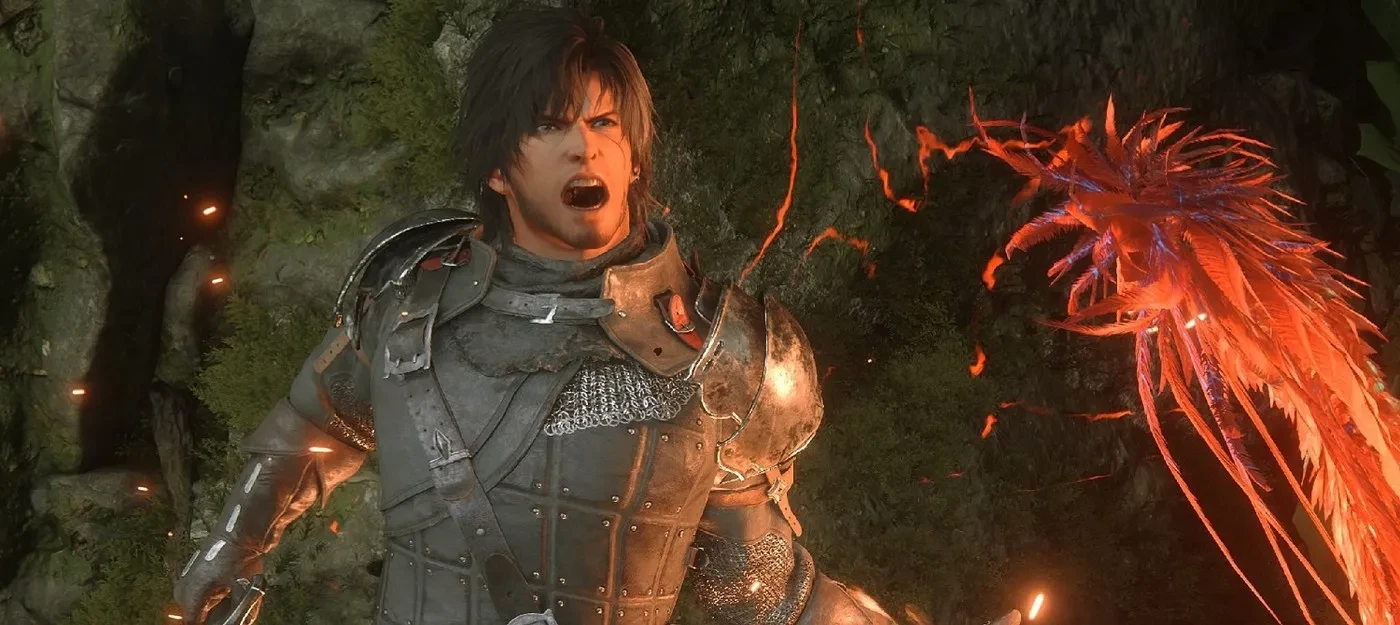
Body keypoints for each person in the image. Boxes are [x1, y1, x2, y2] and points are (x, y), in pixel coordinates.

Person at [173, 7, 901, 624]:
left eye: (605, 122)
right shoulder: (408, 302)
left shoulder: (717, 354)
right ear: (497, 167)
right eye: (550, 126)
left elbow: (759, 579)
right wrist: (235, 541)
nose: (585, 146)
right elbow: (315, 426)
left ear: (634, 158)